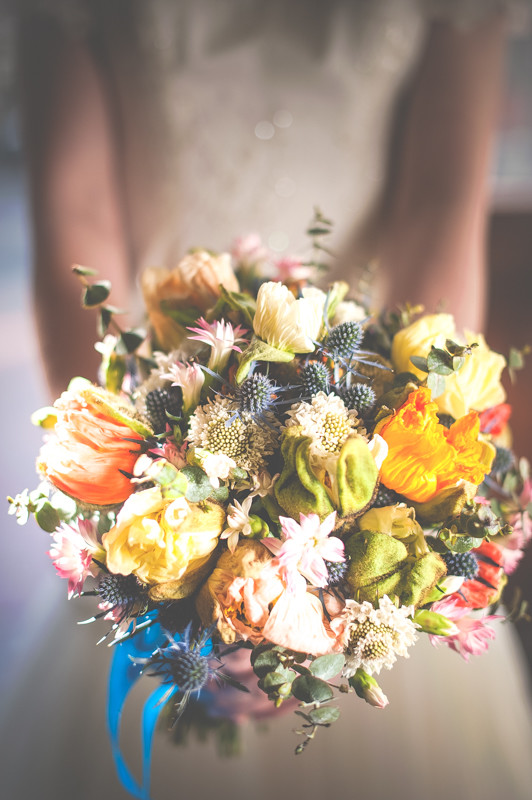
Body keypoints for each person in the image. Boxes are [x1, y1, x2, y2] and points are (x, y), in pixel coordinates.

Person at [7, 2, 532, 799]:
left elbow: (440, 203)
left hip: (364, 427)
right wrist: (129, 499)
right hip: (160, 421)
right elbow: (77, 218)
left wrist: (362, 553)